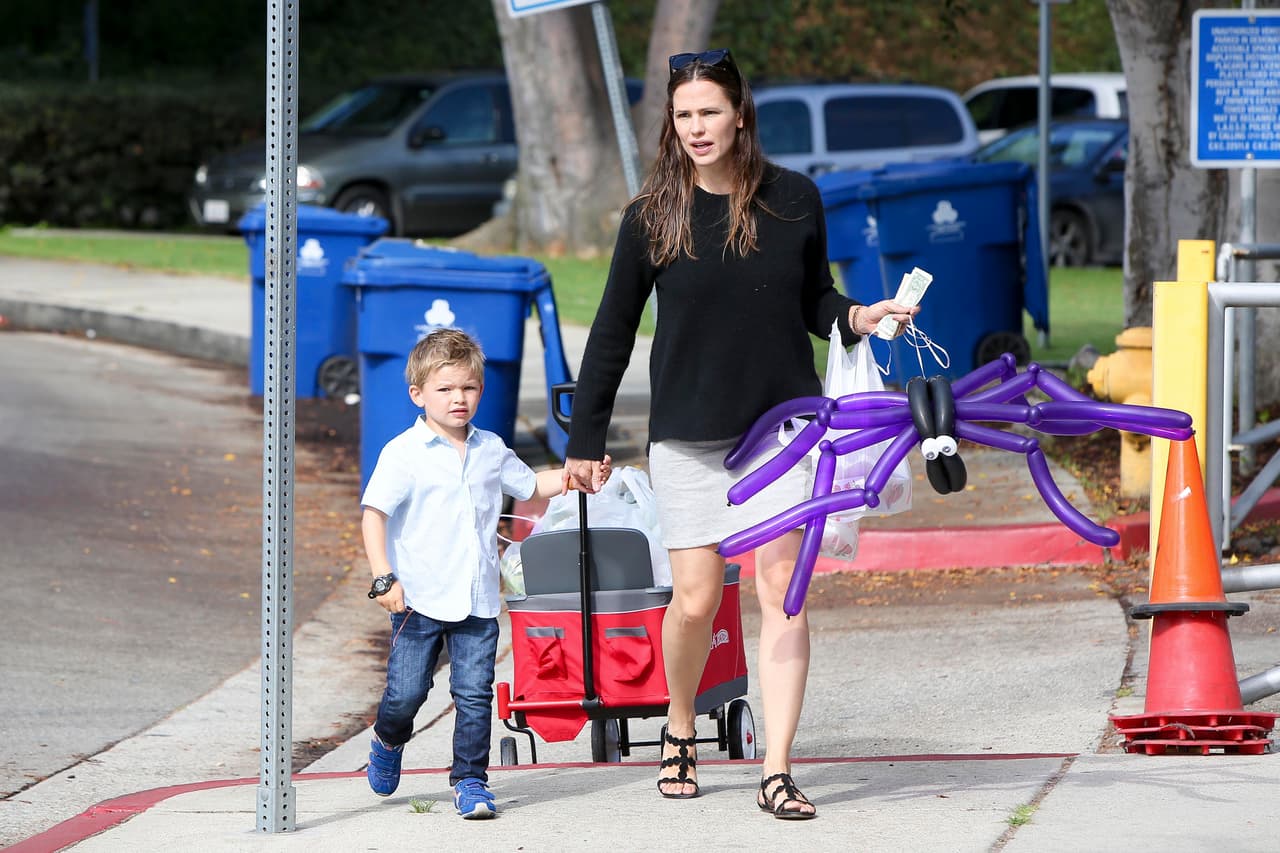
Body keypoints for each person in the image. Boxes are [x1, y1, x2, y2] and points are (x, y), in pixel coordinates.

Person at [563, 48, 918, 820]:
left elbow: (814, 297)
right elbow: (612, 335)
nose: (696, 127)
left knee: (782, 596)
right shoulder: (652, 215)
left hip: (783, 429)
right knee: (693, 600)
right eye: (683, 115)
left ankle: (778, 766)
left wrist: (860, 317)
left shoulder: (794, 199)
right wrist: (585, 439)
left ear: (740, 115)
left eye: (709, 112)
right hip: (687, 434)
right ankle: (681, 725)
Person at [361, 327, 610, 819]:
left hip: (477, 601)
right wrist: (383, 578)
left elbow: (530, 484)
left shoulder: (491, 448)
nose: (459, 398)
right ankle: (388, 740)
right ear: (418, 394)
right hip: (418, 600)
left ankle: (470, 781)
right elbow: (374, 515)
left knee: (473, 695)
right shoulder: (403, 454)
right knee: (407, 693)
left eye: (469, 388)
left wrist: (574, 477)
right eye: (445, 388)